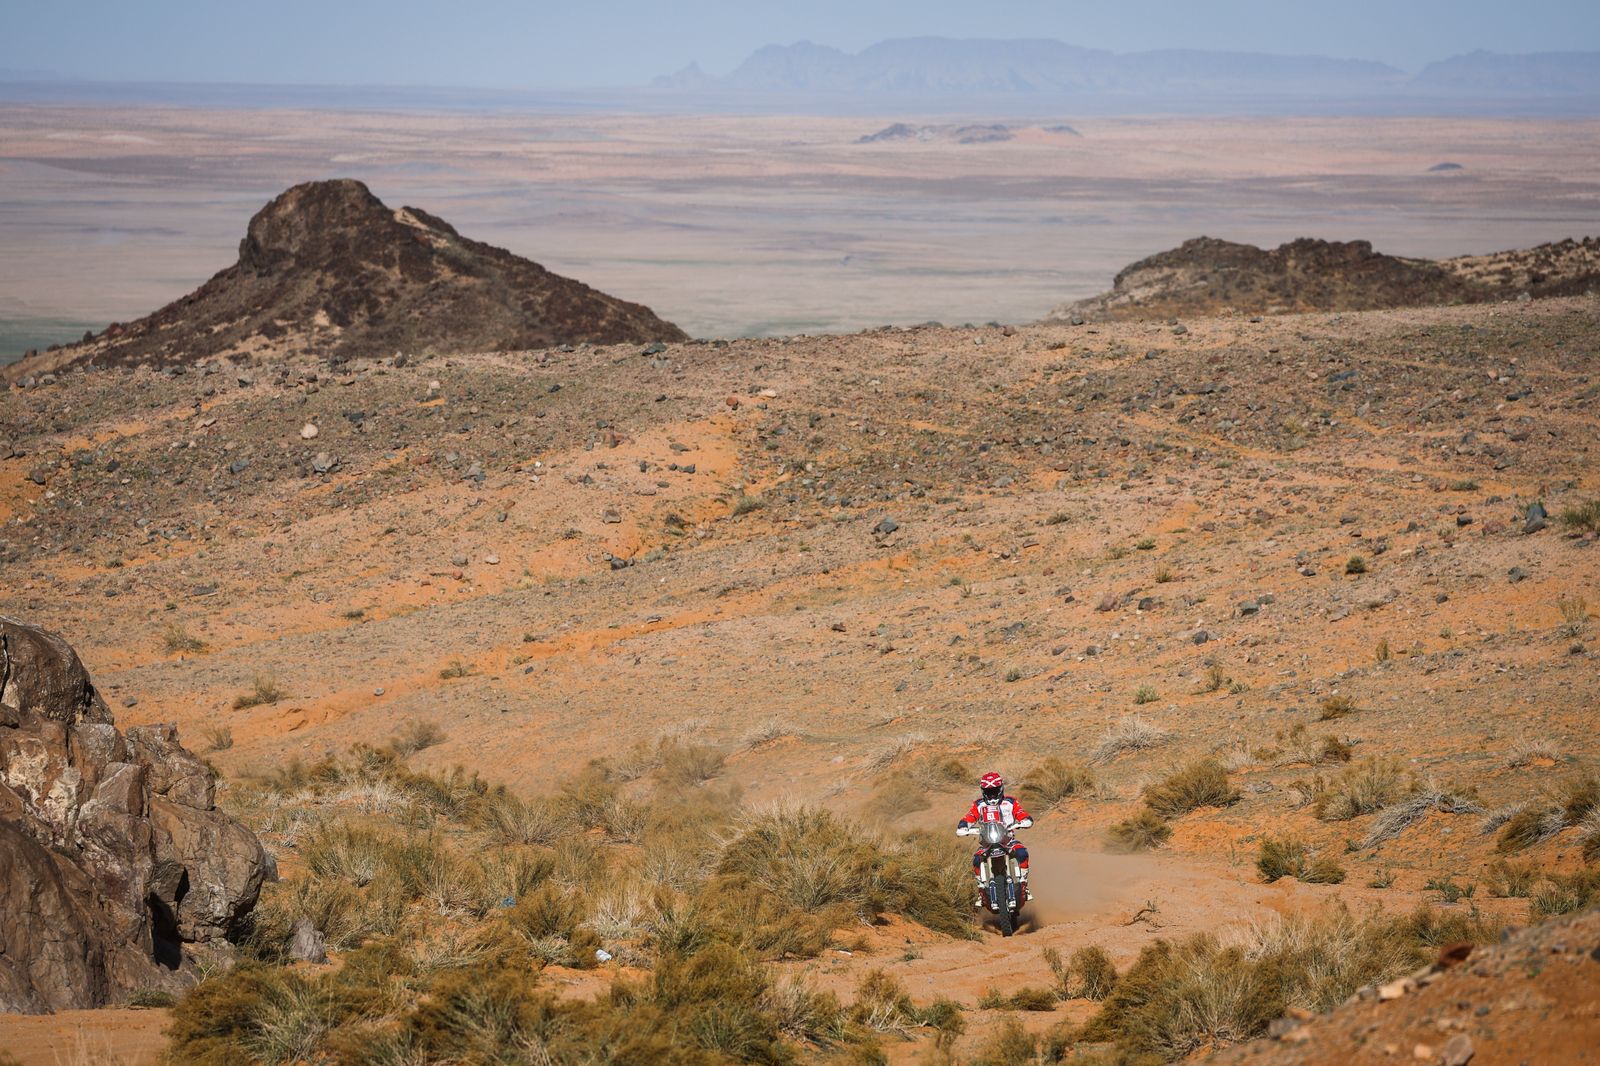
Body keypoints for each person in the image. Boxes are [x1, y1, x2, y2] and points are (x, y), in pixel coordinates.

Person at [956, 771, 1033, 906]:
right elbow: (968, 818)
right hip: (987, 843)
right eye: (988, 791)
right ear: (983, 791)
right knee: (976, 860)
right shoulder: (979, 805)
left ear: (1001, 789)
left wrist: (1024, 820)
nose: (992, 795)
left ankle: (1024, 885)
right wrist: (963, 827)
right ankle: (981, 892)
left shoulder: (1010, 802)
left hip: (1007, 840)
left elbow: (1021, 813)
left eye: (994, 791)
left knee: (1022, 853)